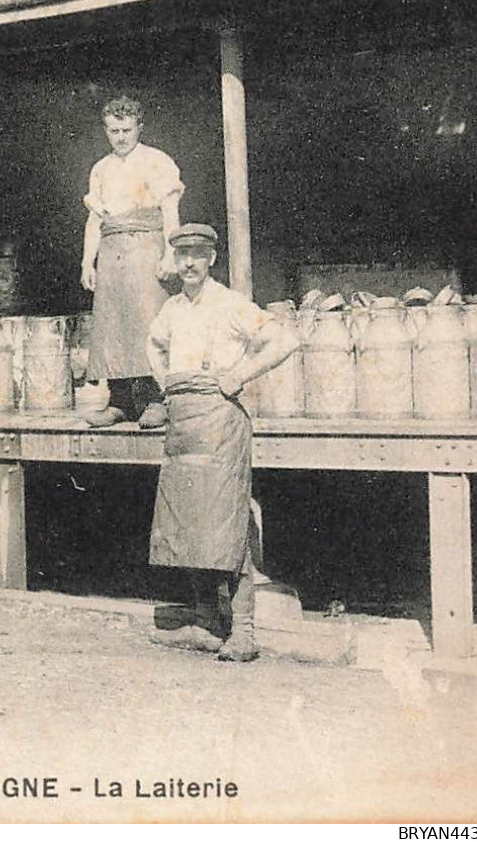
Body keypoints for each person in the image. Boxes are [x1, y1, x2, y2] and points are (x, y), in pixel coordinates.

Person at [145, 224, 297, 662]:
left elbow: (285, 339)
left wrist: (239, 376)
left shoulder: (230, 305)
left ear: (212, 258)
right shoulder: (172, 309)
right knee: (189, 528)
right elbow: (153, 345)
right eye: (182, 255)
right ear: (174, 261)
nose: (189, 262)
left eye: (197, 254)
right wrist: (165, 381)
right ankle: (208, 623)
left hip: (220, 425)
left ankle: (243, 632)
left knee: (227, 530)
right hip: (184, 426)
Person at [80, 96, 183, 428]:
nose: (120, 137)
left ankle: (157, 399)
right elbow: (94, 221)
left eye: (125, 129)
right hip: (111, 253)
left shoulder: (158, 162)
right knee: (112, 325)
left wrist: (172, 253)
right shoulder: (100, 169)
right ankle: (120, 401)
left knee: (148, 322)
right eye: (113, 130)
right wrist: (87, 263)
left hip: (147, 249)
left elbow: (171, 213)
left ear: (140, 126)